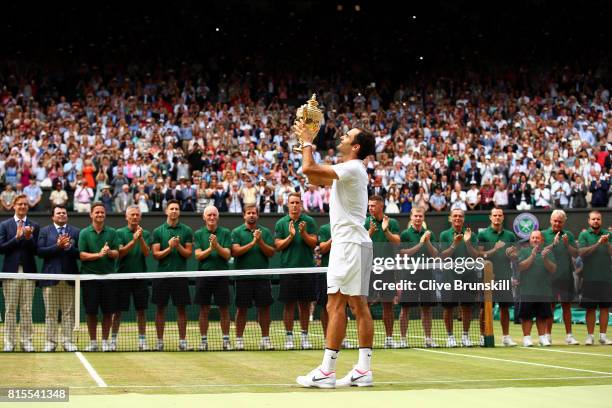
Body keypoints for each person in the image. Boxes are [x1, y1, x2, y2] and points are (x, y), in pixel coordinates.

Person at [296, 125, 376, 388]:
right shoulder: (352, 171)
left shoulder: (352, 168)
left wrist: (308, 143)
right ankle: (363, 370)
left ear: (355, 147)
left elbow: (309, 169)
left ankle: (327, 371)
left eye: (347, 136)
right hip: (357, 243)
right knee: (358, 305)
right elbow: (314, 178)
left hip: (348, 245)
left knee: (335, 305)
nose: (341, 137)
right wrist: (307, 149)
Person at [275, 193, 318, 350]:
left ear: (301, 205)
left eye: (297, 203)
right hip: (288, 270)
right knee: (289, 306)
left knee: (305, 305)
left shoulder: (309, 222)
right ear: (288, 205)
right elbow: (277, 246)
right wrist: (291, 237)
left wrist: (303, 233)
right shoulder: (281, 223)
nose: (294, 205)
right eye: (292, 202)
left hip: (306, 269)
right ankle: (289, 338)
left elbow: (314, 243)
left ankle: (305, 337)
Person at [231, 204, 276, 350]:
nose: (251, 215)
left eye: (254, 213)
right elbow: (235, 251)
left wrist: (260, 241)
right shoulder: (237, 232)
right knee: (241, 309)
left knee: (264, 309)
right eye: (249, 213)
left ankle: (265, 339)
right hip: (243, 277)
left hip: (262, 277)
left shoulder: (265, 232)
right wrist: (253, 242)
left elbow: (271, 253)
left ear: (257, 216)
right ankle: (239, 340)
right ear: (244, 215)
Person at [151, 199, 194, 351]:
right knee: (160, 309)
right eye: (172, 209)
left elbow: (188, 254)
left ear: (179, 211)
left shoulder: (187, 231)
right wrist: (169, 248)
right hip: (162, 276)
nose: (174, 211)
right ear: (166, 211)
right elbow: (156, 255)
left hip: (180, 276)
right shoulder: (157, 231)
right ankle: (160, 342)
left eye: (176, 208)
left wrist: (178, 246)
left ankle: (182, 342)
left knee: (181, 309)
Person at [37, 205, 80, 352]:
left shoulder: (75, 231)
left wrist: (69, 248)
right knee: (50, 312)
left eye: (64, 213)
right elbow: (40, 252)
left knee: (68, 312)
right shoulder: (44, 231)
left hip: (69, 278)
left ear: (67, 215)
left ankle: (67, 341)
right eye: (58, 213)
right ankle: (51, 342)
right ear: (53, 216)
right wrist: (58, 246)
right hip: (50, 278)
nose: (61, 215)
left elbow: (79, 254)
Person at [0, 194, 40, 352]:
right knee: (10, 308)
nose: (22, 206)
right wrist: (16, 238)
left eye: (25, 204)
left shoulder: (34, 225)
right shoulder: (5, 225)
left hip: (28, 271)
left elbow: (37, 250)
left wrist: (29, 238)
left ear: (27, 207)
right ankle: (9, 342)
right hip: (11, 272)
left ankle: (26, 341)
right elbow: (1, 248)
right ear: (14, 206)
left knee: (27, 308)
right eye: (20, 204)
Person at [78, 202, 119, 352]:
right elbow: (82, 255)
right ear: (91, 214)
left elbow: (117, 253)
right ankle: (93, 342)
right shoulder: (84, 233)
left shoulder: (112, 233)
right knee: (91, 312)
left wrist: (108, 253)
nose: (100, 215)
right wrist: (98, 254)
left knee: (108, 312)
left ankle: (105, 342)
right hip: (90, 278)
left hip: (108, 278)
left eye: (102, 212)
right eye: (97, 212)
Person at [476, 207, 518, 346]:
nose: (497, 217)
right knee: (485, 308)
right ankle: (483, 335)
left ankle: (506, 337)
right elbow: (479, 255)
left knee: (504, 308)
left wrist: (511, 254)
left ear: (503, 217)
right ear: (490, 217)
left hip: (504, 276)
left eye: (500, 215)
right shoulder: (483, 235)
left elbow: (515, 256)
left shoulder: (510, 236)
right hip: (487, 277)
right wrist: (495, 248)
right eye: (495, 215)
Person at [112, 205, 152, 351]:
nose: (134, 217)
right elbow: (120, 252)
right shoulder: (119, 233)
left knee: (141, 311)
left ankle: (142, 341)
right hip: (122, 277)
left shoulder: (146, 233)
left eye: (137, 215)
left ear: (140, 217)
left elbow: (147, 253)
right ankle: (113, 340)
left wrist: (140, 238)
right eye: (132, 215)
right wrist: (134, 240)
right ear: (126, 217)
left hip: (140, 277)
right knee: (117, 312)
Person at [439, 208, 480, 347]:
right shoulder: (445, 235)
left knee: (466, 308)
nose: (457, 218)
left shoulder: (471, 235)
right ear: (450, 218)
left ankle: (465, 336)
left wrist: (467, 242)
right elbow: (443, 256)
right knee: (448, 309)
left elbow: (476, 256)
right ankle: (450, 337)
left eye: (460, 216)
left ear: (463, 219)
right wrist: (454, 244)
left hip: (468, 276)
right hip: (449, 277)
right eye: (455, 216)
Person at [398, 207, 439, 348]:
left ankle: (428, 339)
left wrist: (427, 242)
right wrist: (420, 243)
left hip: (427, 276)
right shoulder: (405, 234)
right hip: (409, 277)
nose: (418, 218)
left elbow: (435, 255)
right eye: (415, 216)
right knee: (405, 309)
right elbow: (403, 254)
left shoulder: (430, 234)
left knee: (427, 309)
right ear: (411, 217)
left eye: (420, 216)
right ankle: (403, 340)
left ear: (423, 218)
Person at [194, 206, 233, 351]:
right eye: (209, 215)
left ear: (218, 217)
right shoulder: (198, 234)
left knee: (224, 309)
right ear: (204, 217)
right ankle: (203, 341)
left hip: (221, 276)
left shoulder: (225, 233)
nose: (211, 217)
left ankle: (226, 341)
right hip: (204, 276)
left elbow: (227, 255)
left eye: (214, 215)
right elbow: (198, 255)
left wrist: (216, 245)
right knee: (204, 309)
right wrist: (211, 248)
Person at [365, 195, 401, 348]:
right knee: (364, 305)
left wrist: (386, 231)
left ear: (381, 206)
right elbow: (359, 244)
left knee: (388, 305)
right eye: (369, 205)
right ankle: (366, 340)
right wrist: (370, 232)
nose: (370, 208)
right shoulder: (365, 222)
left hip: (386, 268)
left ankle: (389, 338)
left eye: (373, 205)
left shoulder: (391, 222)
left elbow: (397, 242)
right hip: (368, 269)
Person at [541, 210, 580, 345]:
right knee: (550, 306)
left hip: (566, 276)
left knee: (566, 306)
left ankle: (569, 336)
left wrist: (567, 244)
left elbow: (576, 254)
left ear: (564, 222)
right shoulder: (543, 234)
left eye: (560, 221)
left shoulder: (568, 235)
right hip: (548, 277)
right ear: (551, 220)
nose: (557, 223)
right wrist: (554, 243)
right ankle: (547, 336)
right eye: (555, 221)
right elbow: (540, 252)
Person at [512, 230, 556, 347]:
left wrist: (545, 258)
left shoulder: (548, 252)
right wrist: (532, 255)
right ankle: (527, 338)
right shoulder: (524, 251)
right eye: (533, 238)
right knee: (526, 316)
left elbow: (552, 269)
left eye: (537, 238)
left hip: (544, 290)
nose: (535, 240)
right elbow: (520, 267)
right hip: (527, 290)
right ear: (530, 240)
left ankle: (542, 338)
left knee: (542, 316)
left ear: (542, 240)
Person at [578, 211, 612, 345]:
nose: (596, 221)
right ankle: (590, 336)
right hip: (589, 278)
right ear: (589, 221)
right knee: (590, 308)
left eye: (598, 219)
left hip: (606, 278)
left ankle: (603, 336)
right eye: (593, 219)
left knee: (604, 308)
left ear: (601, 220)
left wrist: (607, 243)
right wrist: (598, 243)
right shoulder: (584, 234)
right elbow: (581, 253)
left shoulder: (608, 234)